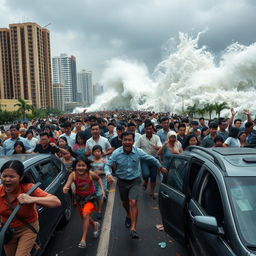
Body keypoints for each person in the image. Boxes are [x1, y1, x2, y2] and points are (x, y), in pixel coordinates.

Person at [105, 131, 167, 239]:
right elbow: (108, 164)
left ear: (133, 141)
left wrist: (160, 167)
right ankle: (128, 215)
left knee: (133, 202)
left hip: (135, 181)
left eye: (130, 140)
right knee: (125, 202)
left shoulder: (138, 152)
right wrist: (108, 174)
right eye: (125, 140)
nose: (127, 142)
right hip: (122, 181)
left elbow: (151, 159)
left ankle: (133, 228)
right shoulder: (116, 153)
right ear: (122, 140)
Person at [0, 160, 61, 256]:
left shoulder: (28, 188)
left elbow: (56, 201)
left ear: (21, 178)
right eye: (4, 176)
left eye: (11, 176)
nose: (7, 179)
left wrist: (31, 199)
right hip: (7, 231)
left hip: (27, 229)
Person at [63, 156, 104, 248]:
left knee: (86, 215)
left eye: (83, 165)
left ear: (87, 167)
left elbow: (98, 179)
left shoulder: (90, 174)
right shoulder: (73, 175)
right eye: (78, 165)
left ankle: (83, 239)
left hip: (90, 198)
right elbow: (67, 184)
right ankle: (95, 224)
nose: (81, 168)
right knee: (83, 217)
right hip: (79, 199)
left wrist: (102, 190)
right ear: (75, 166)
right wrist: (65, 188)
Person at [135, 122, 162, 199]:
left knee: (153, 176)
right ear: (145, 129)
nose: (149, 130)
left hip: (154, 159)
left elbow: (160, 146)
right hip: (144, 160)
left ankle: (152, 191)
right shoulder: (141, 138)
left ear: (153, 129)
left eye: (150, 128)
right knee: (145, 174)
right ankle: (146, 181)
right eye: (147, 129)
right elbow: (135, 147)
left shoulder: (156, 137)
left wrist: (157, 147)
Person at [91, 145, 108, 220]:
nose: (97, 153)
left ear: (101, 152)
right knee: (95, 194)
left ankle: (99, 211)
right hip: (93, 181)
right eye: (95, 151)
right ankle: (104, 194)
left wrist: (100, 172)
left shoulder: (104, 161)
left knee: (99, 194)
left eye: (98, 151)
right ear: (92, 153)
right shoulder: (90, 162)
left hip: (103, 180)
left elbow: (107, 172)